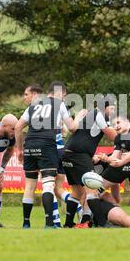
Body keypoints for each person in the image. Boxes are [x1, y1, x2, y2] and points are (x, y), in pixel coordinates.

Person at [15, 81, 86, 228]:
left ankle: (26, 223)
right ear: (59, 93)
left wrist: (19, 149)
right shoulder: (59, 105)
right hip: (47, 146)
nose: (64, 99)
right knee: (49, 186)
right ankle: (50, 222)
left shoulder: (33, 104)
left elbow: (18, 127)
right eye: (64, 96)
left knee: (29, 186)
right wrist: (78, 118)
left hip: (29, 145)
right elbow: (71, 128)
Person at [62, 95, 117, 228]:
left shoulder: (94, 114)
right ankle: (92, 222)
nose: (114, 111)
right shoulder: (99, 114)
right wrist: (127, 136)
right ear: (105, 107)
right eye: (112, 108)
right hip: (78, 155)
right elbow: (111, 135)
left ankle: (69, 224)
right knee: (92, 189)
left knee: (77, 192)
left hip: (69, 154)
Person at [93, 155, 130, 222]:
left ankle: (88, 220)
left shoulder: (92, 163)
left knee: (94, 193)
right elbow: (115, 183)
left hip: (120, 162)